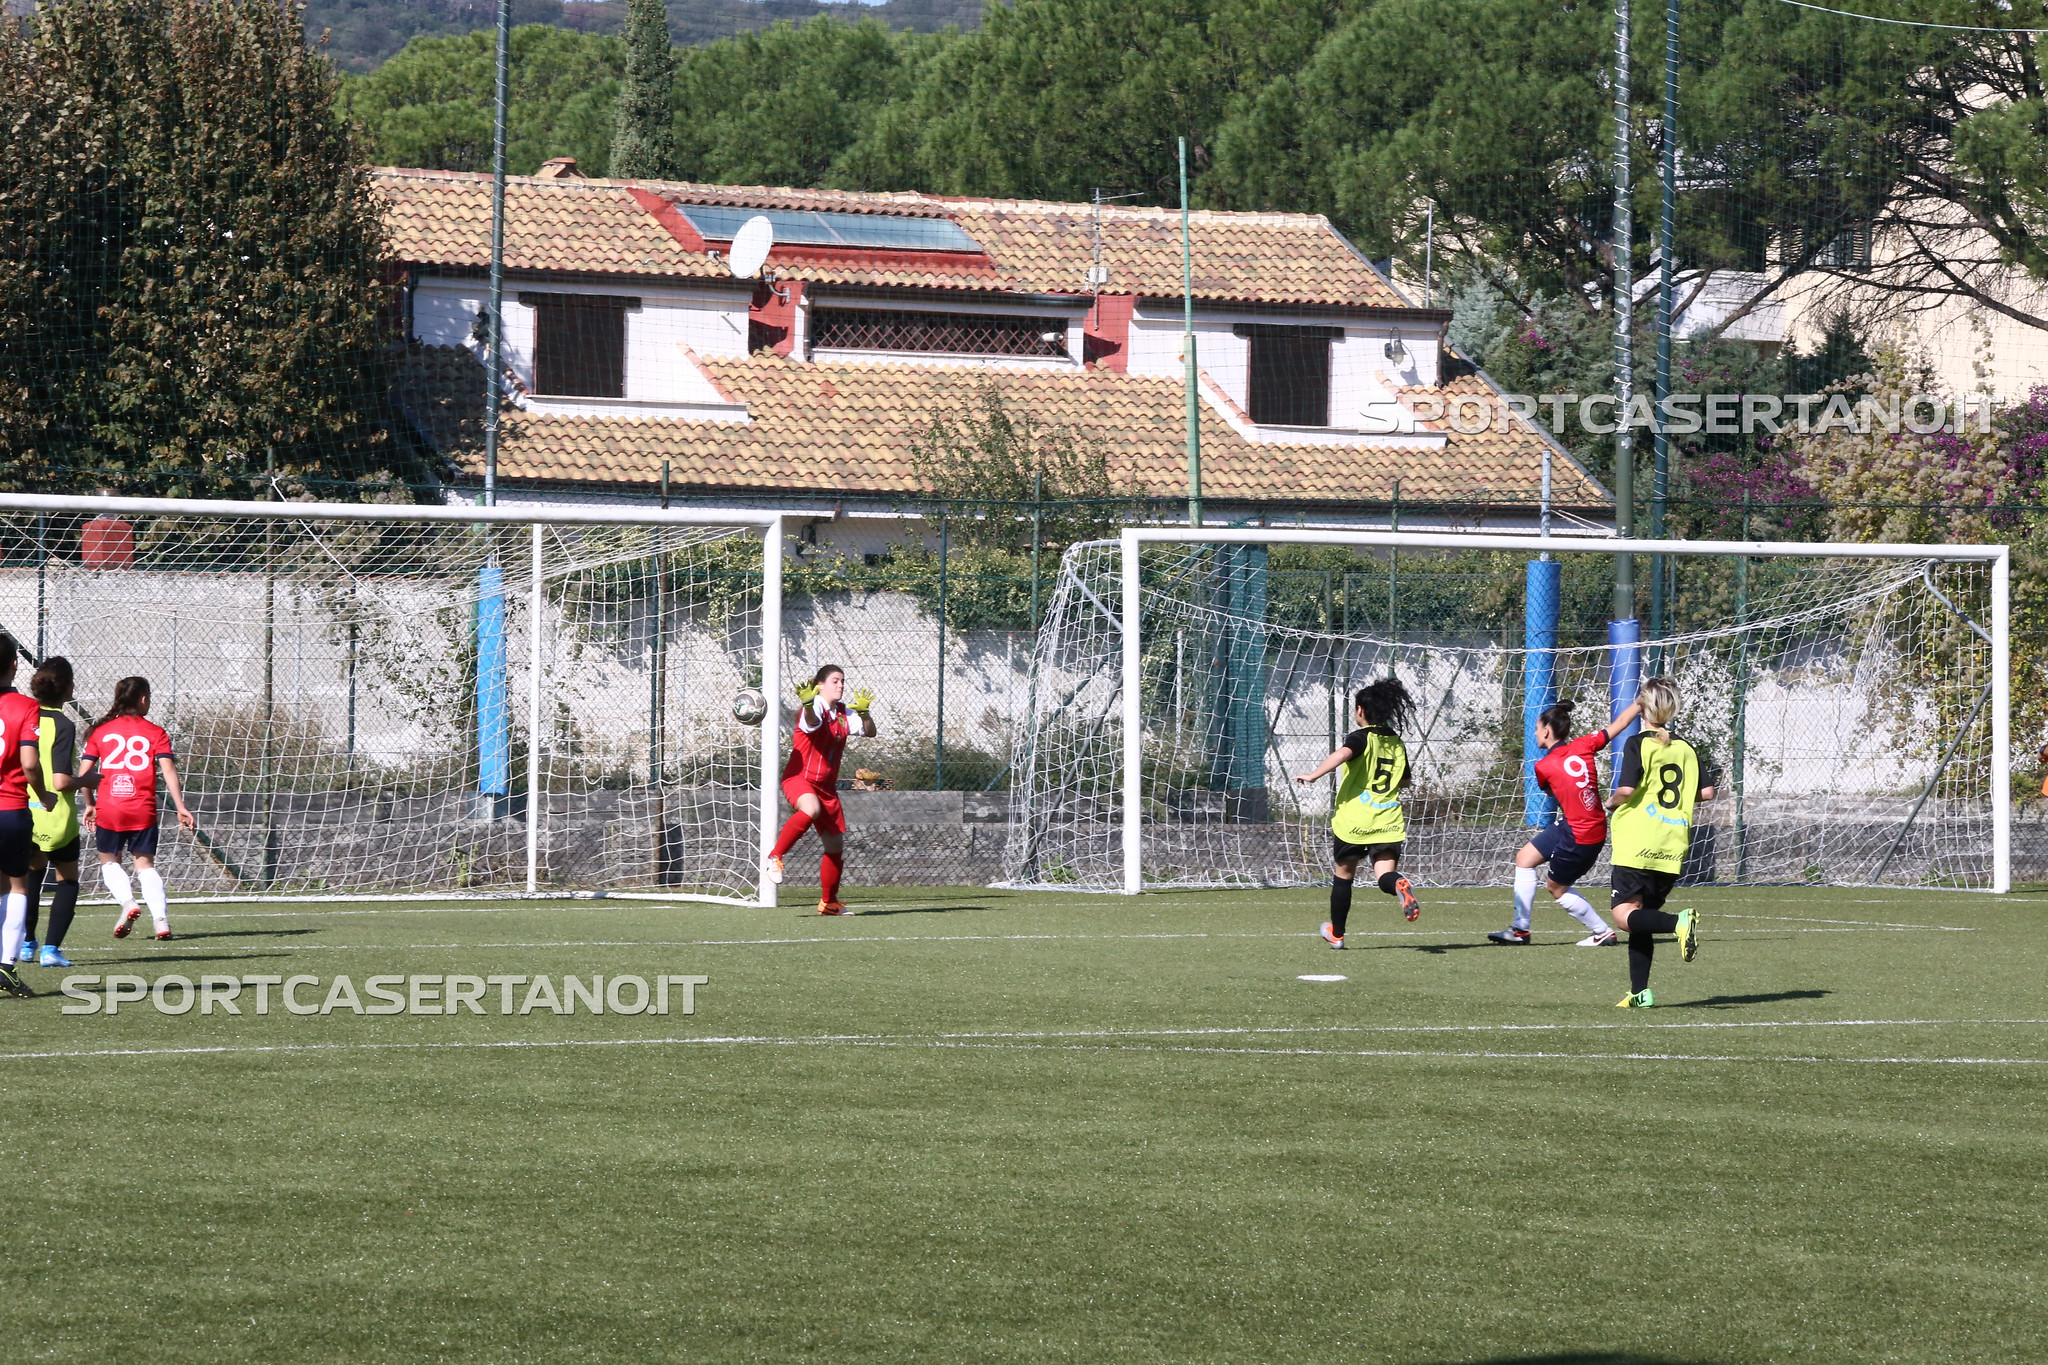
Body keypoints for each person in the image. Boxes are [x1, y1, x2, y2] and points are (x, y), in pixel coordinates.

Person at [1487, 696, 1643, 948]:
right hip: (1578, 823)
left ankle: (1601, 932)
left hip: (1582, 834)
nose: (1535, 733)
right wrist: (1639, 703)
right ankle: (1519, 930)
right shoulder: (1585, 744)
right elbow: (1621, 723)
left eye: (1537, 728)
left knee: (1556, 888)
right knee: (1524, 858)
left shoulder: (1544, 766)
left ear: (1547, 731)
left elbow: (1552, 792)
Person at [1606, 676, 1716, 1008]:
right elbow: (1708, 792)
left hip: (1638, 841)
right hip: (1672, 845)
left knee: (1623, 916)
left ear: (1642, 706)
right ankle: (1640, 992)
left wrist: (1606, 803)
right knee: (1642, 919)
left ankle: (1677, 922)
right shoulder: (1686, 748)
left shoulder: (1638, 743)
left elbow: (1625, 791)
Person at [1293, 677, 1422, 949]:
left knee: (1344, 875)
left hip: (1354, 821)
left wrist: (1314, 775)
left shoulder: (1360, 737)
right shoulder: (1396, 742)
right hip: (1387, 819)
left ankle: (1337, 935)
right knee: (1385, 875)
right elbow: (1405, 781)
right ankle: (1399, 884)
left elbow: (1342, 754)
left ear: (1361, 711)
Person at [78, 676, 195, 942]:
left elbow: (84, 773)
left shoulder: (101, 731)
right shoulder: (156, 732)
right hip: (142, 809)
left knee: (109, 862)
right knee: (145, 865)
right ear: (143, 698)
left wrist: (89, 804)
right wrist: (180, 807)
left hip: (110, 807)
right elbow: (168, 770)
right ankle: (161, 922)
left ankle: (128, 903)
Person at [764, 665, 876, 915]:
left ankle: (829, 903)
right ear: (820, 685)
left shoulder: (843, 712)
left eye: (842, 681)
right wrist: (806, 705)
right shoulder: (814, 707)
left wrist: (866, 714)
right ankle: (775, 857)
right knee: (810, 808)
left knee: (835, 846)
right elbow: (812, 722)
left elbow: (870, 732)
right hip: (800, 778)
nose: (841, 685)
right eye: (835, 681)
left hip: (827, 788)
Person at [23, 658, 88, 968]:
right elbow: (61, 780)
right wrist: (89, 780)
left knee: (32, 875)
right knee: (68, 880)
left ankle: (25, 944)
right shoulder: (63, 725)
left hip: (25, 808)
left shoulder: (24, 716)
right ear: (67, 689)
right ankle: (50, 950)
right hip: (56, 812)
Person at [0, 635, 54, 998]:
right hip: (10, 809)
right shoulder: (24, 707)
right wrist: (45, 794)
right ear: (15, 664)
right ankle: (6, 966)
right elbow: (30, 764)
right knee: (16, 886)